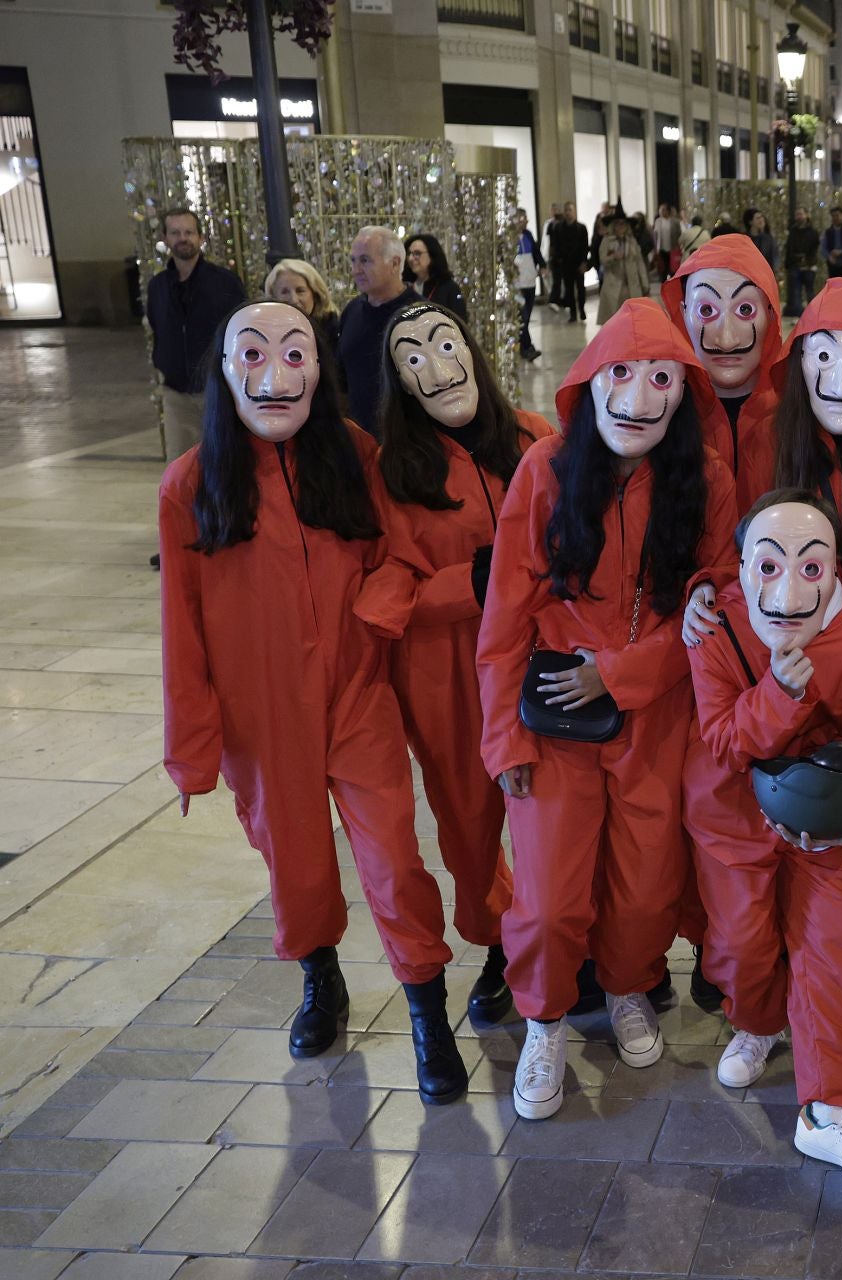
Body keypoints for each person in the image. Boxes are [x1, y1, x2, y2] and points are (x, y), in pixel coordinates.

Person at [161, 300, 458, 1100]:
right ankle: (320, 977)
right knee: (295, 865)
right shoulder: (190, 486)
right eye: (252, 356)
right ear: (224, 373)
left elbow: (400, 554)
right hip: (261, 720)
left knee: (394, 860)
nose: (274, 375)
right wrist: (192, 748)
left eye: (295, 355)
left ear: (320, 369)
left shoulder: (356, 455)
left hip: (357, 694)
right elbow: (181, 630)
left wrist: (380, 606)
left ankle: (427, 1008)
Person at [474, 300, 736, 1120]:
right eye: (621, 373)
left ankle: (627, 988)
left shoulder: (707, 481)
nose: (641, 395)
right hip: (552, 715)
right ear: (590, 382)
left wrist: (620, 672)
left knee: (644, 889)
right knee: (548, 899)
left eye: (662, 377)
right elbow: (505, 614)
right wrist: (504, 738)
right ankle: (544, 1018)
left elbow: (719, 602)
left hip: (656, 713)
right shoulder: (546, 471)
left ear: (682, 391)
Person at [685, 279, 842, 1076]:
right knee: (775, 851)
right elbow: (733, 546)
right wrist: (701, 593)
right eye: (823, 357)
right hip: (782, 676)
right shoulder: (761, 437)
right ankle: (764, 1005)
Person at [683, 490, 842, 1193]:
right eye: (769, 565)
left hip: (823, 829)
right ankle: (757, 1020)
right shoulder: (714, 631)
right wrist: (779, 696)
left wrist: (824, 802)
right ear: (744, 566)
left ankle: (831, 1109)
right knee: (742, 947)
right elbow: (722, 740)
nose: (787, 590)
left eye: (810, 569)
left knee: (831, 955)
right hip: (731, 821)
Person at [358, 300, 553, 1030]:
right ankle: (502, 941)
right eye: (413, 358)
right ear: (401, 383)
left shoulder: (535, 440)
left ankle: (568, 943)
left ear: (471, 348)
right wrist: (467, 584)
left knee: (550, 820)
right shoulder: (393, 472)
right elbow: (381, 591)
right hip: (443, 675)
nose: (436, 367)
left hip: (537, 667)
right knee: (470, 833)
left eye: (444, 344)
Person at [662, 235, 785, 517]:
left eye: (745, 310)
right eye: (706, 310)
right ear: (683, 316)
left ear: (770, 313)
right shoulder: (659, 417)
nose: (727, 339)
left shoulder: (795, 418)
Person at [146, 207, 247, 463]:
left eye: (189, 232)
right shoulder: (158, 287)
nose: (183, 238)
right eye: (176, 232)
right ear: (165, 238)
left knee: (221, 463)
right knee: (179, 467)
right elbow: (158, 329)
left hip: (216, 391)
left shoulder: (225, 283)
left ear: (201, 238)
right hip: (176, 393)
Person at [338, 226, 422, 435]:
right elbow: (342, 376)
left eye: (365, 260)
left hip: (408, 439)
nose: (356, 270)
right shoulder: (352, 311)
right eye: (353, 260)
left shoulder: (419, 314)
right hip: (361, 439)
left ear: (394, 263)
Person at [264, 257, 341, 350]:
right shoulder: (264, 334)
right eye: (285, 292)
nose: (294, 300)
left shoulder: (336, 330)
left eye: (300, 291)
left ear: (315, 294)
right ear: (274, 298)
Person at [596, 215, 652, 323]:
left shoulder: (632, 241)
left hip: (632, 286)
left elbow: (639, 263)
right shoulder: (607, 241)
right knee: (614, 320)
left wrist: (645, 283)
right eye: (618, 224)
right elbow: (602, 260)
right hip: (613, 286)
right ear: (613, 226)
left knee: (632, 319)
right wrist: (613, 257)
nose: (621, 226)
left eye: (623, 224)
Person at [403, 233, 466, 320]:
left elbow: (459, 321)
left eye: (417, 253)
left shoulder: (449, 288)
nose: (410, 258)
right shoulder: (406, 287)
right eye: (409, 253)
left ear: (432, 256)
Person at [511, 207, 545, 360]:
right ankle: (526, 347)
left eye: (525, 218)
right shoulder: (509, 238)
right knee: (522, 317)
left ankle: (524, 346)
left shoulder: (528, 234)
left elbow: (536, 253)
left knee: (526, 316)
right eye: (522, 218)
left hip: (530, 281)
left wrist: (543, 266)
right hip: (517, 284)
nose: (525, 221)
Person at [548, 202, 589, 322]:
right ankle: (573, 313)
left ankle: (581, 309)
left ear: (574, 211)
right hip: (566, 264)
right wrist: (559, 259)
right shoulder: (559, 228)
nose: (568, 213)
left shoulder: (581, 228)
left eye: (570, 210)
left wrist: (584, 262)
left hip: (579, 262)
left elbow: (585, 246)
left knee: (581, 288)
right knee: (569, 289)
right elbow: (556, 245)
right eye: (566, 210)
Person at [785, 207, 821, 316]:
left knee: (810, 292)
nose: (798, 217)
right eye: (797, 214)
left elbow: (814, 248)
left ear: (806, 215)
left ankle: (814, 316)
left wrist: (806, 259)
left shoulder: (813, 232)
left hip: (809, 266)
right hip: (795, 266)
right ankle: (800, 316)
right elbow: (789, 248)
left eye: (800, 214)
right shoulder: (793, 231)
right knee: (796, 293)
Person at [744, 207, 781, 272]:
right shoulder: (744, 239)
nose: (761, 220)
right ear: (750, 222)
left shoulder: (768, 238)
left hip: (765, 275)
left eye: (762, 217)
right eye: (758, 218)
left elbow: (775, 256)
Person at [653, 203, 682, 279]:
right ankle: (663, 283)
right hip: (661, 249)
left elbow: (679, 234)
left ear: (668, 211)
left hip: (672, 248)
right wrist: (655, 248)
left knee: (672, 268)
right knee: (663, 268)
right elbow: (655, 235)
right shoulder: (658, 221)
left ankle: (672, 282)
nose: (661, 212)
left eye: (663, 210)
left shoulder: (675, 221)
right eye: (660, 210)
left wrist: (678, 246)